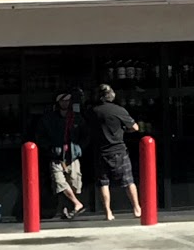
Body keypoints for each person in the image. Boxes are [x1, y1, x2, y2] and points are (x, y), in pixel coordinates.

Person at [89, 83, 143, 221]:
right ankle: (137, 208)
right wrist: (124, 130)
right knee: (128, 181)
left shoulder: (93, 111)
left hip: (101, 151)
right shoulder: (119, 110)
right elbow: (135, 127)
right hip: (119, 149)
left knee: (104, 183)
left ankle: (108, 212)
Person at [39, 92, 85, 220]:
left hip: (72, 155)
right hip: (56, 156)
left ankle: (66, 209)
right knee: (59, 182)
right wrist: (50, 149)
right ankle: (77, 204)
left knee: (74, 182)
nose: (65, 103)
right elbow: (41, 136)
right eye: (63, 101)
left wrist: (79, 148)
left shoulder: (77, 118)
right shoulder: (49, 119)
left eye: (68, 101)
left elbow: (85, 134)